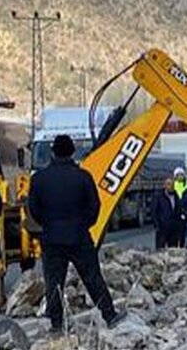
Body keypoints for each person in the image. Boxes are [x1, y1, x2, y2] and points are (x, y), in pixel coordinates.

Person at [26, 134, 124, 335]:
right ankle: (109, 314)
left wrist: (48, 223)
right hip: (79, 236)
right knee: (92, 277)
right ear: (72, 152)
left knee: (54, 281)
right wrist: (83, 224)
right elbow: (94, 206)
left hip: (52, 237)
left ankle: (56, 323)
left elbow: (33, 209)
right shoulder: (83, 177)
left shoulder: (39, 179)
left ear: (53, 152)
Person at [151, 175, 184, 249]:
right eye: (169, 184)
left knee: (173, 249)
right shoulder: (158, 196)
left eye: (172, 185)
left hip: (173, 228)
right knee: (160, 249)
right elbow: (154, 212)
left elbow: (178, 211)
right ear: (165, 185)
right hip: (162, 228)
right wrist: (157, 226)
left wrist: (179, 226)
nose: (171, 186)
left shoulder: (176, 196)